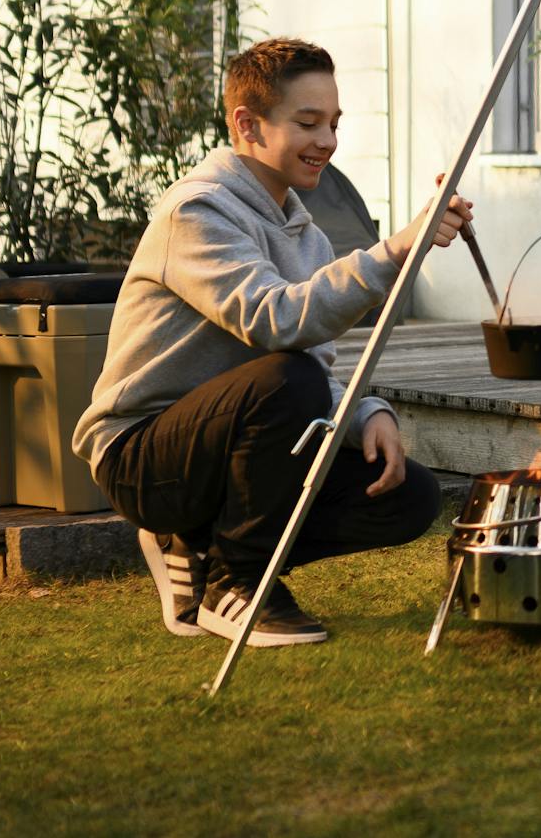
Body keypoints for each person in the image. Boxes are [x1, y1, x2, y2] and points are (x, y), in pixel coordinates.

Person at [73, 37, 471, 647]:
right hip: (144, 453)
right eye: (308, 122)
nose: (328, 141)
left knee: (407, 497)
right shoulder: (197, 213)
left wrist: (365, 412)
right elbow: (275, 322)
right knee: (287, 383)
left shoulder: (302, 233)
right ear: (247, 124)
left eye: (334, 124)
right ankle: (238, 582)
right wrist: (394, 250)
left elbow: (312, 359)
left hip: (238, 441)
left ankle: (201, 545)